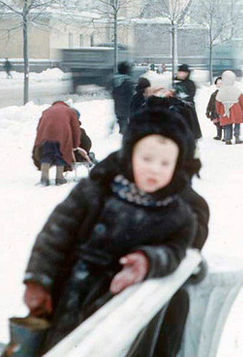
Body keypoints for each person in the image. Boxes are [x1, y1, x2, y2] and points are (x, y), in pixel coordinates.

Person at [22, 108, 200, 353]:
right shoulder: (96, 190)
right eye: (146, 159)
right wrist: (38, 281)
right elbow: (55, 235)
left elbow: (175, 250)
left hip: (126, 309)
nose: (154, 169)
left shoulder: (178, 214)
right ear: (130, 155)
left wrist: (147, 260)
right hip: (74, 294)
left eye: (165, 163)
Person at [32, 101, 81, 185]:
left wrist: (40, 140)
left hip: (46, 135)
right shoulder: (70, 111)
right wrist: (75, 145)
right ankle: (59, 178)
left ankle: (44, 178)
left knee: (47, 155)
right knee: (61, 155)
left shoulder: (47, 111)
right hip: (61, 135)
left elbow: (39, 127)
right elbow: (76, 130)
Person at [215, 70, 243, 145]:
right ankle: (237, 137)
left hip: (225, 110)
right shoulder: (236, 90)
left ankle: (227, 138)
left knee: (227, 125)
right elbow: (242, 100)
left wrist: (218, 111)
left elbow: (218, 102)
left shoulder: (221, 91)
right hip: (236, 109)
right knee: (237, 124)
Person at [173, 64, 202, 140]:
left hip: (187, 109)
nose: (182, 74)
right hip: (174, 109)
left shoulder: (190, 83)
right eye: (180, 72)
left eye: (184, 73)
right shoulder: (174, 82)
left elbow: (191, 95)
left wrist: (182, 98)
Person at [111, 61, 136, 134]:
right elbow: (132, 94)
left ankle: (122, 133)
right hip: (128, 106)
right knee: (126, 124)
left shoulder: (115, 80)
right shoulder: (128, 81)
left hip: (118, 105)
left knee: (121, 121)